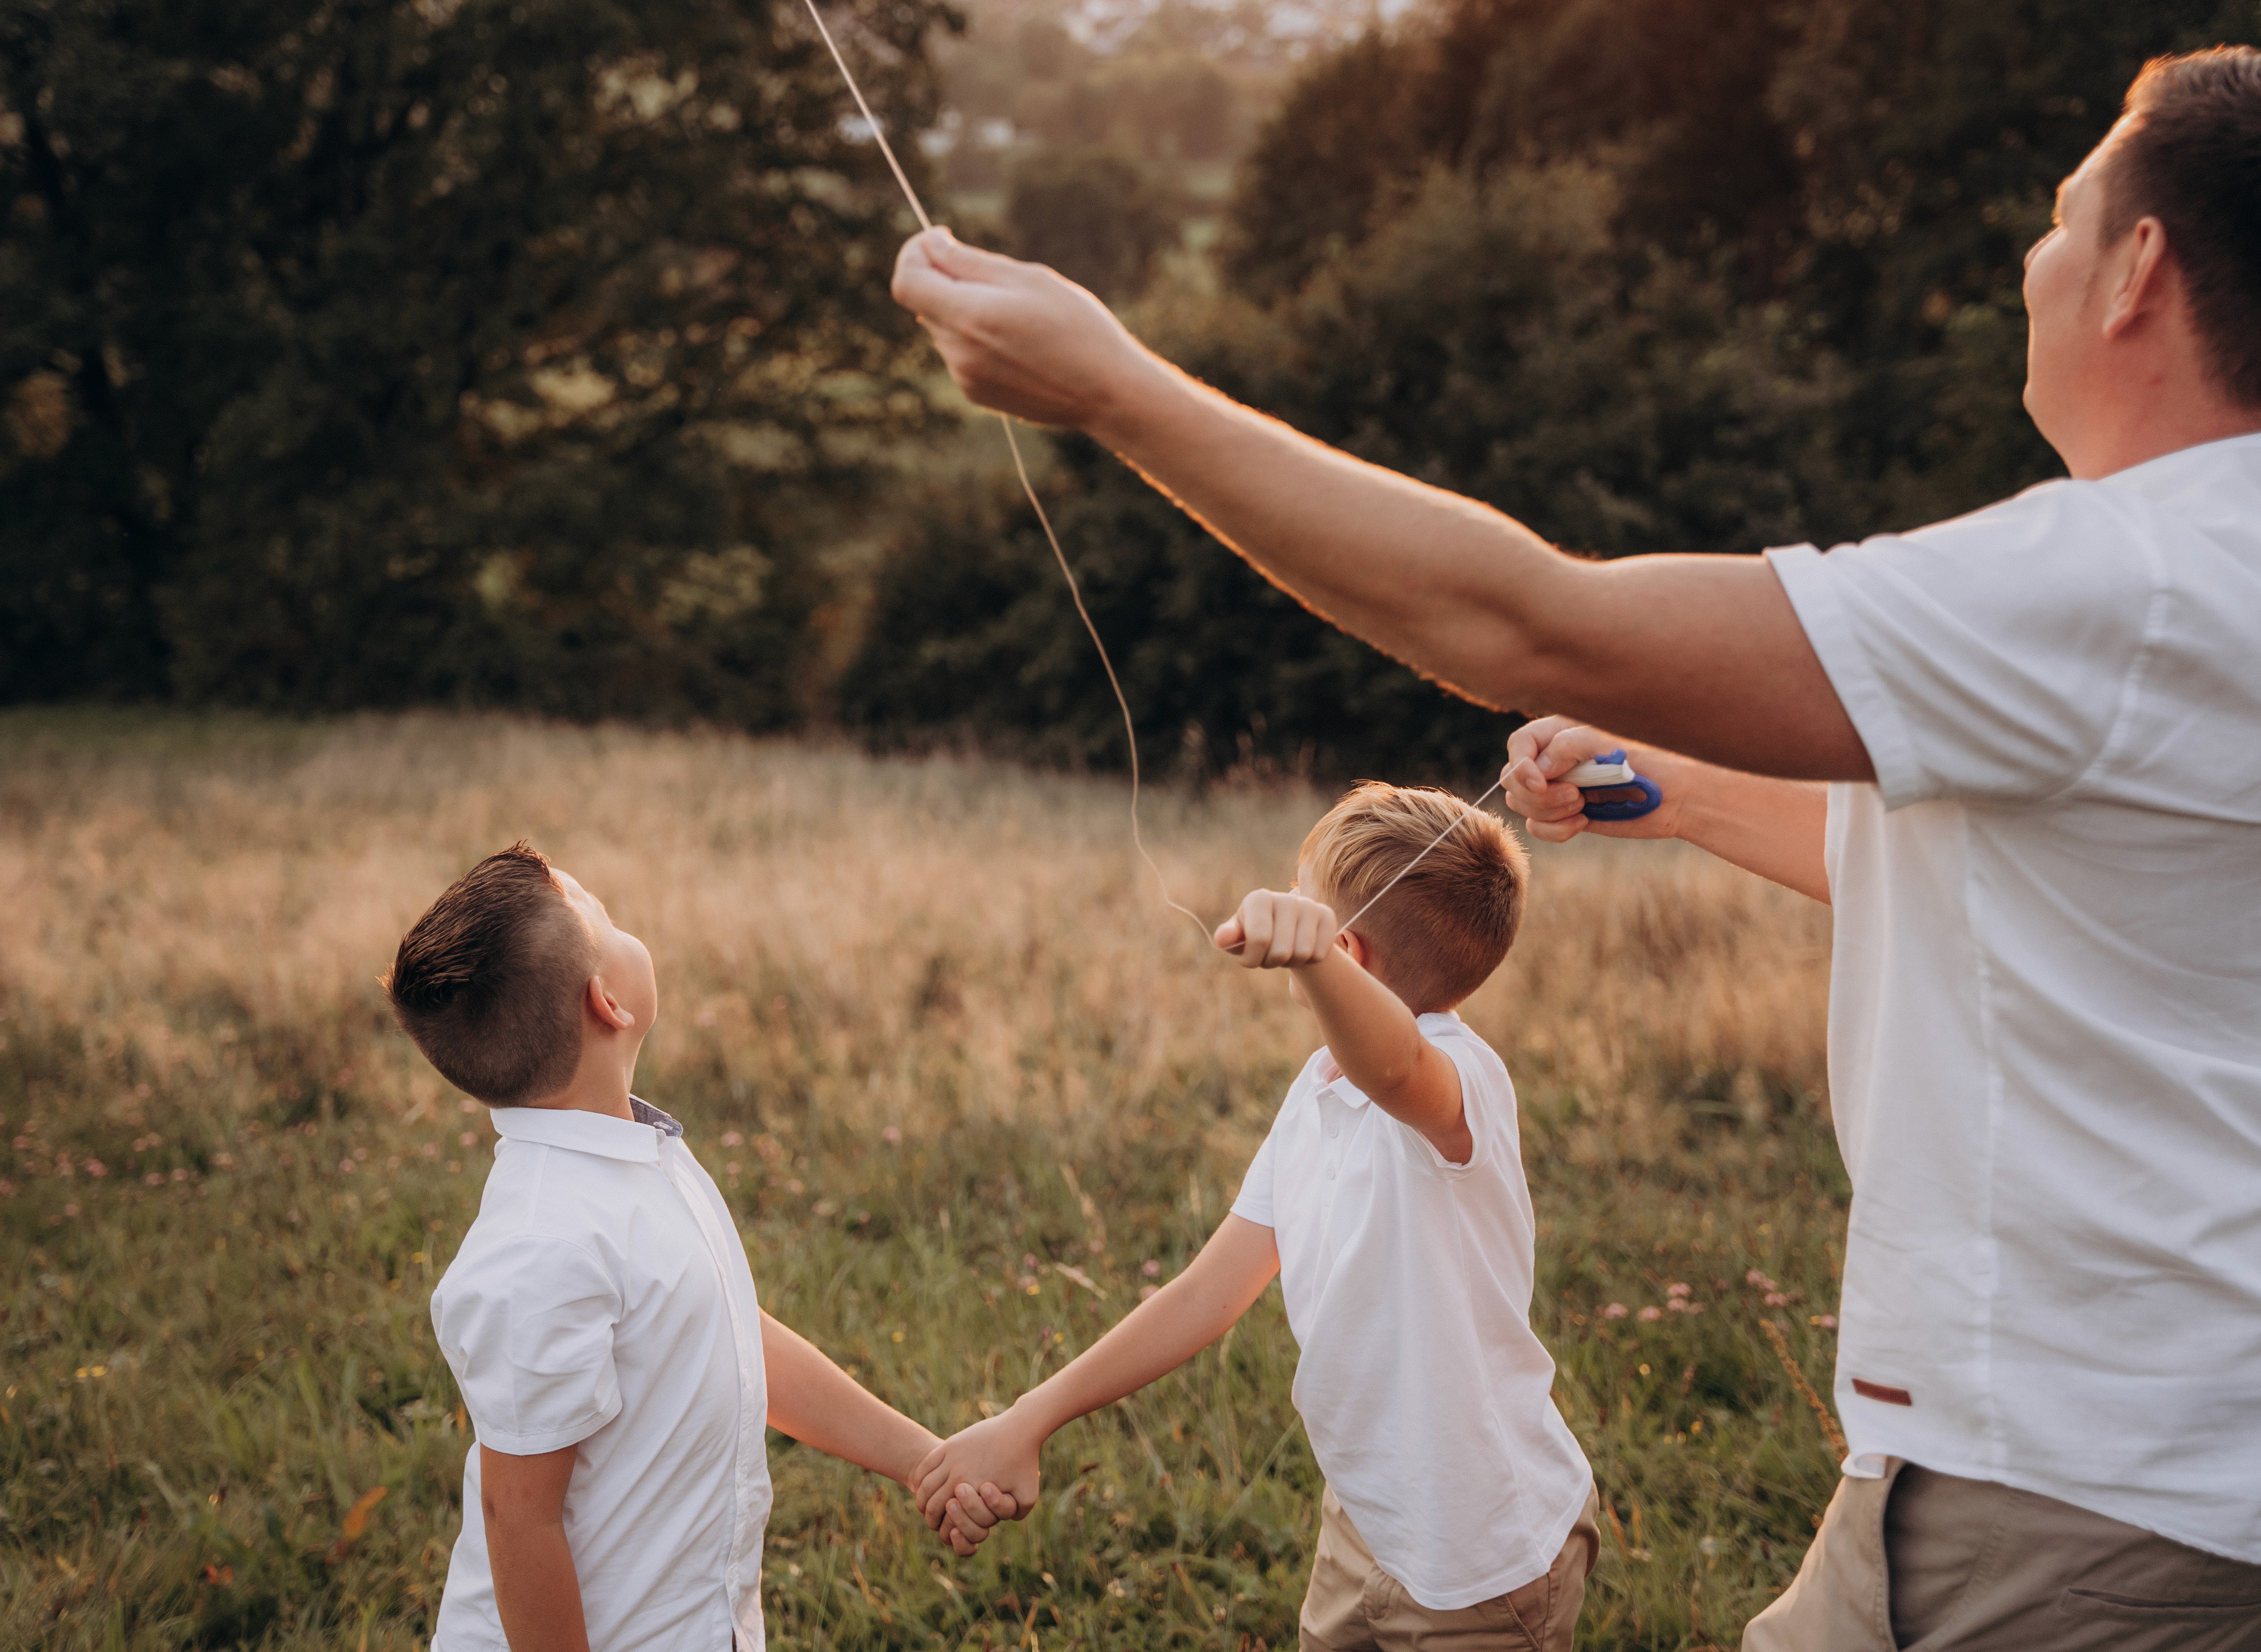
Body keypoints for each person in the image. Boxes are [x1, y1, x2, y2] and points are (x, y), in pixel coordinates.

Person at [889, 43, 2261, 1652]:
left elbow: (1523, 616)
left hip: (2072, 1497)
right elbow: (1972, 880)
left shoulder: (2121, 579)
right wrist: (1673, 790)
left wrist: (1109, 388)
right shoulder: (2191, 594)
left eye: (2059, 217)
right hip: (2087, 1460)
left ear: (2138, 271)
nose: (2032, 257)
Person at [914, 783, 1601, 1652]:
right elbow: (1210, 1290)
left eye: (1300, 899)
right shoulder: (1317, 1087)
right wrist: (1029, 1417)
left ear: (1345, 949)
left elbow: (1397, 1067)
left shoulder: (1460, 1086)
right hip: (1367, 1520)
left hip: (1486, 1563)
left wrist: (1316, 964)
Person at [385, 843, 1008, 1652]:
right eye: (602, 916)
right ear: (607, 1001)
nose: (620, 920)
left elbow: (723, 1335)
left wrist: (923, 1458)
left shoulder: (630, 1153)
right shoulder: (539, 1247)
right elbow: (519, 1519)